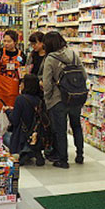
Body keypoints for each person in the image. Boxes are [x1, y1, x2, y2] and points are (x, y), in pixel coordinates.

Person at [40, 31, 87, 168]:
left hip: (58, 99)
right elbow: (83, 74)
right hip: (75, 97)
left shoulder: (50, 58)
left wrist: (47, 98)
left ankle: (63, 159)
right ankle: (79, 155)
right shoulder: (72, 54)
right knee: (76, 126)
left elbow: (47, 82)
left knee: (60, 130)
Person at [3, 75, 46, 166]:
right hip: (37, 135)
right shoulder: (40, 100)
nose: (20, 85)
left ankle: (25, 150)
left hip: (21, 136)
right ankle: (34, 150)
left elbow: (14, 120)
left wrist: (7, 111)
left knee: (4, 136)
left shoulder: (20, 99)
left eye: (22, 83)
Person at [0, 29, 26, 110]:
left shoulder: (21, 55)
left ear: (15, 42)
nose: (6, 44)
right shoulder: (1, 52)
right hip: (1, 87)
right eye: (4, 41)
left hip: (14, 87)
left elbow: (23, 72)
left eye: (9, 41)